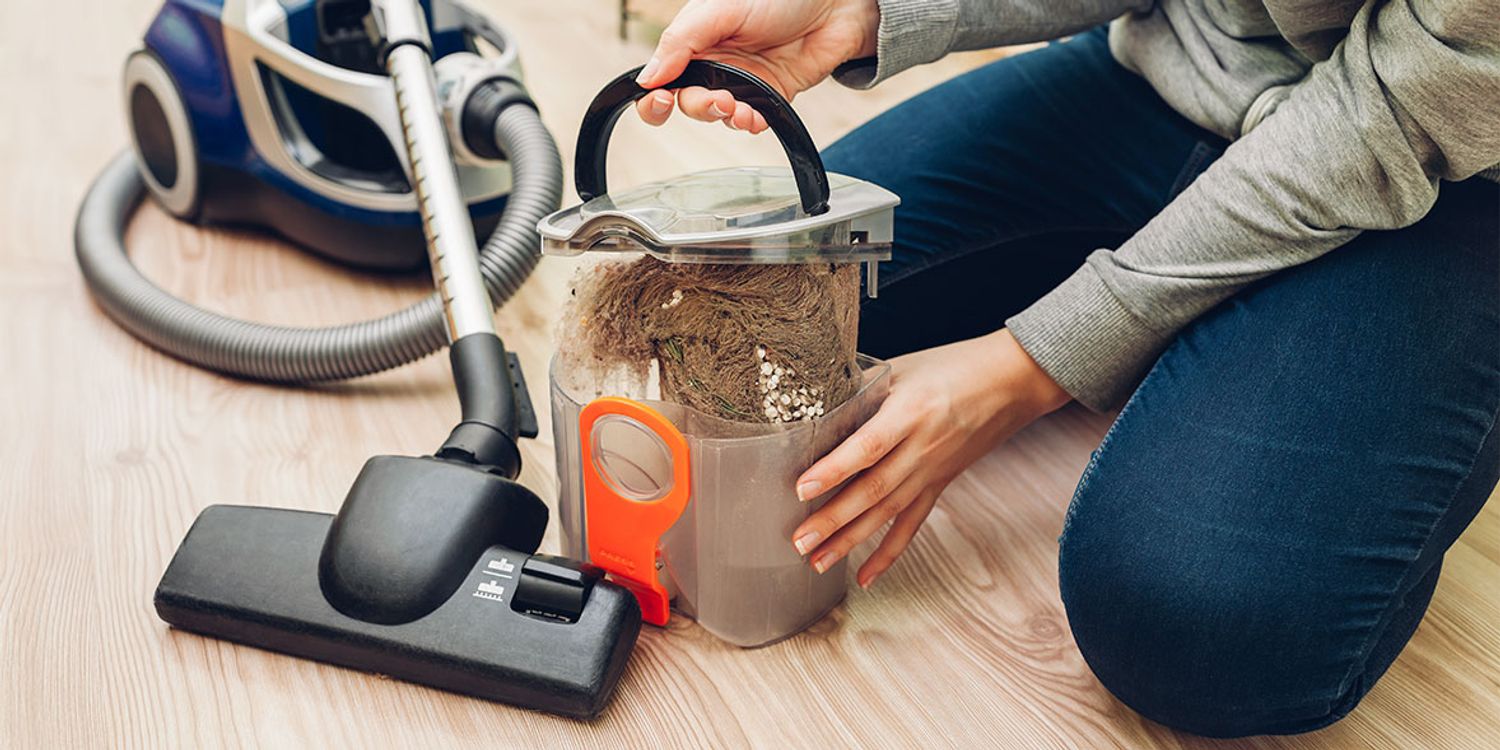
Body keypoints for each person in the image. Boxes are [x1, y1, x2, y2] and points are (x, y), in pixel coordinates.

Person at [631, 0, 1500, 738]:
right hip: (1178, 74)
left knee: (1195, 627)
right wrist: (862, 12)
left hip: (1443, 165)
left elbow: (1405, 109)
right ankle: (1197, 326)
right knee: (734, 316)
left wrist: (1033, 364)